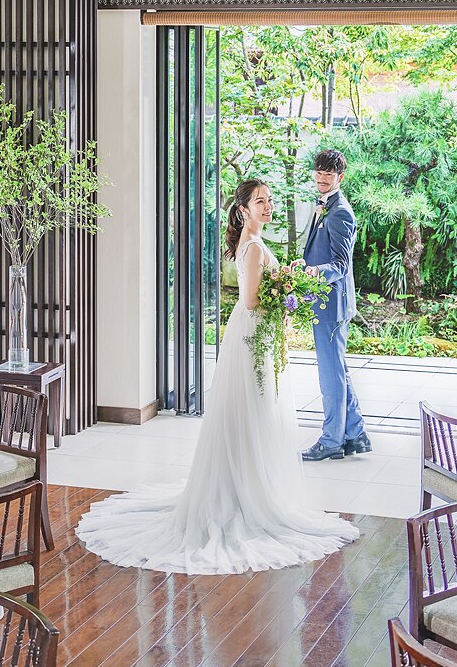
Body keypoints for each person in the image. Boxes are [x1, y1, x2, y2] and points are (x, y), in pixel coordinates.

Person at [75, 179, 359, 575]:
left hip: (253, 334)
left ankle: (249, 486)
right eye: (261, 201)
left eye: (270, 200)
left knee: (253, 414)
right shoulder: (255, 247)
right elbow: (251, 301)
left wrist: (285, 286)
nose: (268, 206)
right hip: (252, 334)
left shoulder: (253, 242)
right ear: (243, 209)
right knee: (252, 412)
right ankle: (246, 495)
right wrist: (286, 289)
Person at [300, 150, 370, 462]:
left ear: (340, 177)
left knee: (330, 375)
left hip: (332, 304)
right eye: (319, 172)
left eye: (328, 174)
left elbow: (340, 265)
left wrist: (313, 273)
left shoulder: (341, 212)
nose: (322, 178)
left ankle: (331, 441)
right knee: (337, 369)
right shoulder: (324, 206)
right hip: (325, 301)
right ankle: (355, 435)